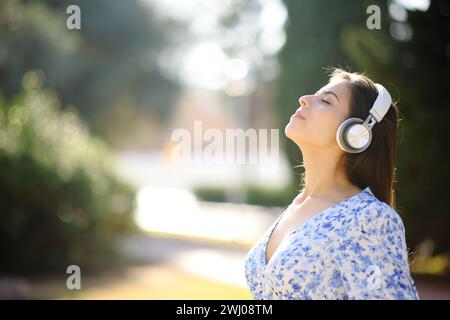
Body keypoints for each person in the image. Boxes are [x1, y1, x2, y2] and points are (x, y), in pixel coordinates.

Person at [244, 68, 420, 300]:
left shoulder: (368, 219)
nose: (304, 99)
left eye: (326, 101)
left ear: (356, 133)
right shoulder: (296, 206)